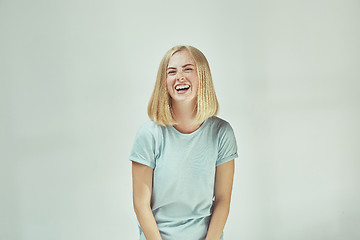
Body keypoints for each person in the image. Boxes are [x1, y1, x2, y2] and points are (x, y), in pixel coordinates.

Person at [129, 45, 238, 240]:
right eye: (172, 71)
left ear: (202, 76)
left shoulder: (222, 133)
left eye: (188, 69)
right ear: (165, 82)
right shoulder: (148, 135)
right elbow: (140, 204)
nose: (179, 76)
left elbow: (222, 200)